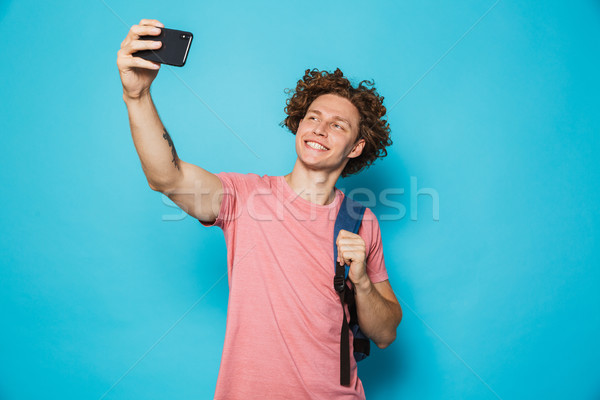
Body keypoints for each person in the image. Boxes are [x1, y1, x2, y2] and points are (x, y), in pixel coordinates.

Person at [117, 18, 402, 399]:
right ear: (298, 124)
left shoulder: (360, 220)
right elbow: (167, 177)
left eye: (338, 126)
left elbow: (384, 334)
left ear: (355, 148)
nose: (319, 128)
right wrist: (137, 97)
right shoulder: (247, 197)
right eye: (313, 117)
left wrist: (363, 281)